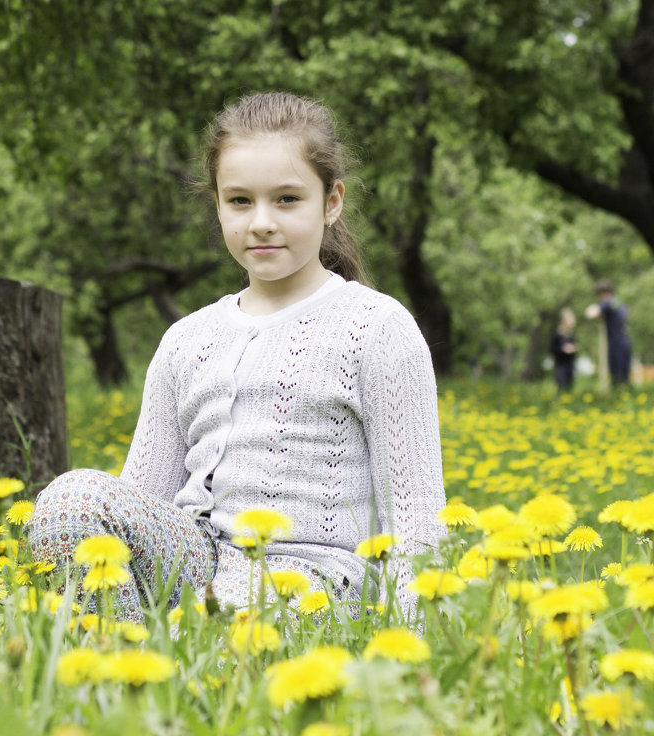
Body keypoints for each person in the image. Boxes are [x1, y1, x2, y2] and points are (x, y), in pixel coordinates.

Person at [26, 92, 447, 627]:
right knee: (70, 501)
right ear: (218, 204)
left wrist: (415, 651)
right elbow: (136, 502)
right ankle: (122, 671)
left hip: (312, 582)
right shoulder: (186, 339)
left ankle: (189, 657)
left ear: (332, 201)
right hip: (195, 562)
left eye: (288, 199)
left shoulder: (377, 330)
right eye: (240, 201)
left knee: (237, 626)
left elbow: (415, 522)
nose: (261, 223)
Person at [585, 280, 632, 386]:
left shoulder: (609, 302)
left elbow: (589, 314)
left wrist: (597, 309)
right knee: (624, 374)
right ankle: (623, 393)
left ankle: (616, 396)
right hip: (625, 341)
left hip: (616, 343)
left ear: (602, 294)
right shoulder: (620, 303)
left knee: (616, 375)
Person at [550, 308, 578, 392]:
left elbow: (575, 347)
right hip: (561, 364)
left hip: (571, 364)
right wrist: (563, 349)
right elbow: (552, 350)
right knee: (560, 386)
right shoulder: (557, 334)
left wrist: (574, 348)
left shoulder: (571, 334)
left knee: (569, 387)